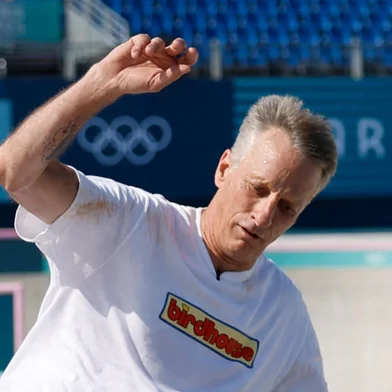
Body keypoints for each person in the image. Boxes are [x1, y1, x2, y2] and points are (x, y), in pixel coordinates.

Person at [0, 34, 337, 391]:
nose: (266, 215)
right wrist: (101, 85)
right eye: (257, 189)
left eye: (287, 207)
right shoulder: (131, 221)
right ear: (224, 169)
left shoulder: (282, 313)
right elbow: (17, 172)